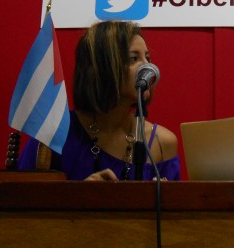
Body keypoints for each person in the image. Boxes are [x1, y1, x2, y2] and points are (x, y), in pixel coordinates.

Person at [18, 20, 180, 181]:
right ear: (102, 68)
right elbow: (22, 199)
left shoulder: (162, 143)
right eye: (133, 59)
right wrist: (82, 197)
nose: (149, 69)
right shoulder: (54, 132)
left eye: (147, 58)